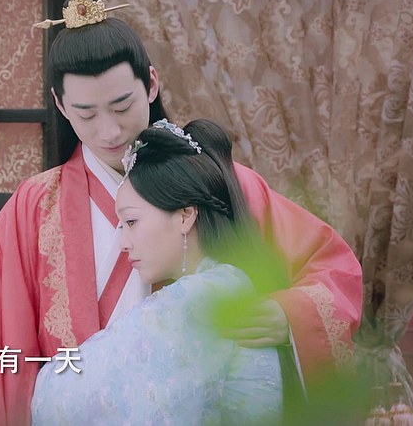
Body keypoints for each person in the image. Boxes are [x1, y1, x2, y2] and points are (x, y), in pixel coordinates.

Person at [0, 0, 362, 426]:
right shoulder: (35, 208)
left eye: (122, 105)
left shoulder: (223, 183)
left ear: (151, 84)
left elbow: (332, 270)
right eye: (86, 114)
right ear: (60, 105)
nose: (110, 131)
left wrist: (288, 317)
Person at [31, 118, 285, 425]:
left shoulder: (196, 298)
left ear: (185, 215)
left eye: (132, 222)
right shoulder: (228, 283)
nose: (123, 243)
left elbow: (56, 396)